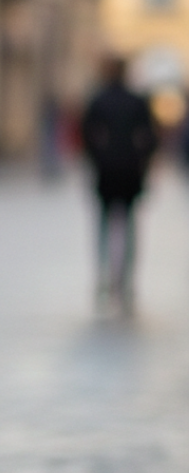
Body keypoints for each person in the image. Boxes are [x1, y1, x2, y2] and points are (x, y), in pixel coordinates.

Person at [81, 56, 158, 316]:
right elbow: (150, 137)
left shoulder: (99, 99)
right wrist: (140, 159)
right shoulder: (137, 101)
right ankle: (125, 280)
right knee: (130, 224)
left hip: (106, 170)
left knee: (103, 223)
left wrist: (98, 157)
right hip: (130, 170)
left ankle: (103, 277)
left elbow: (86, 134)